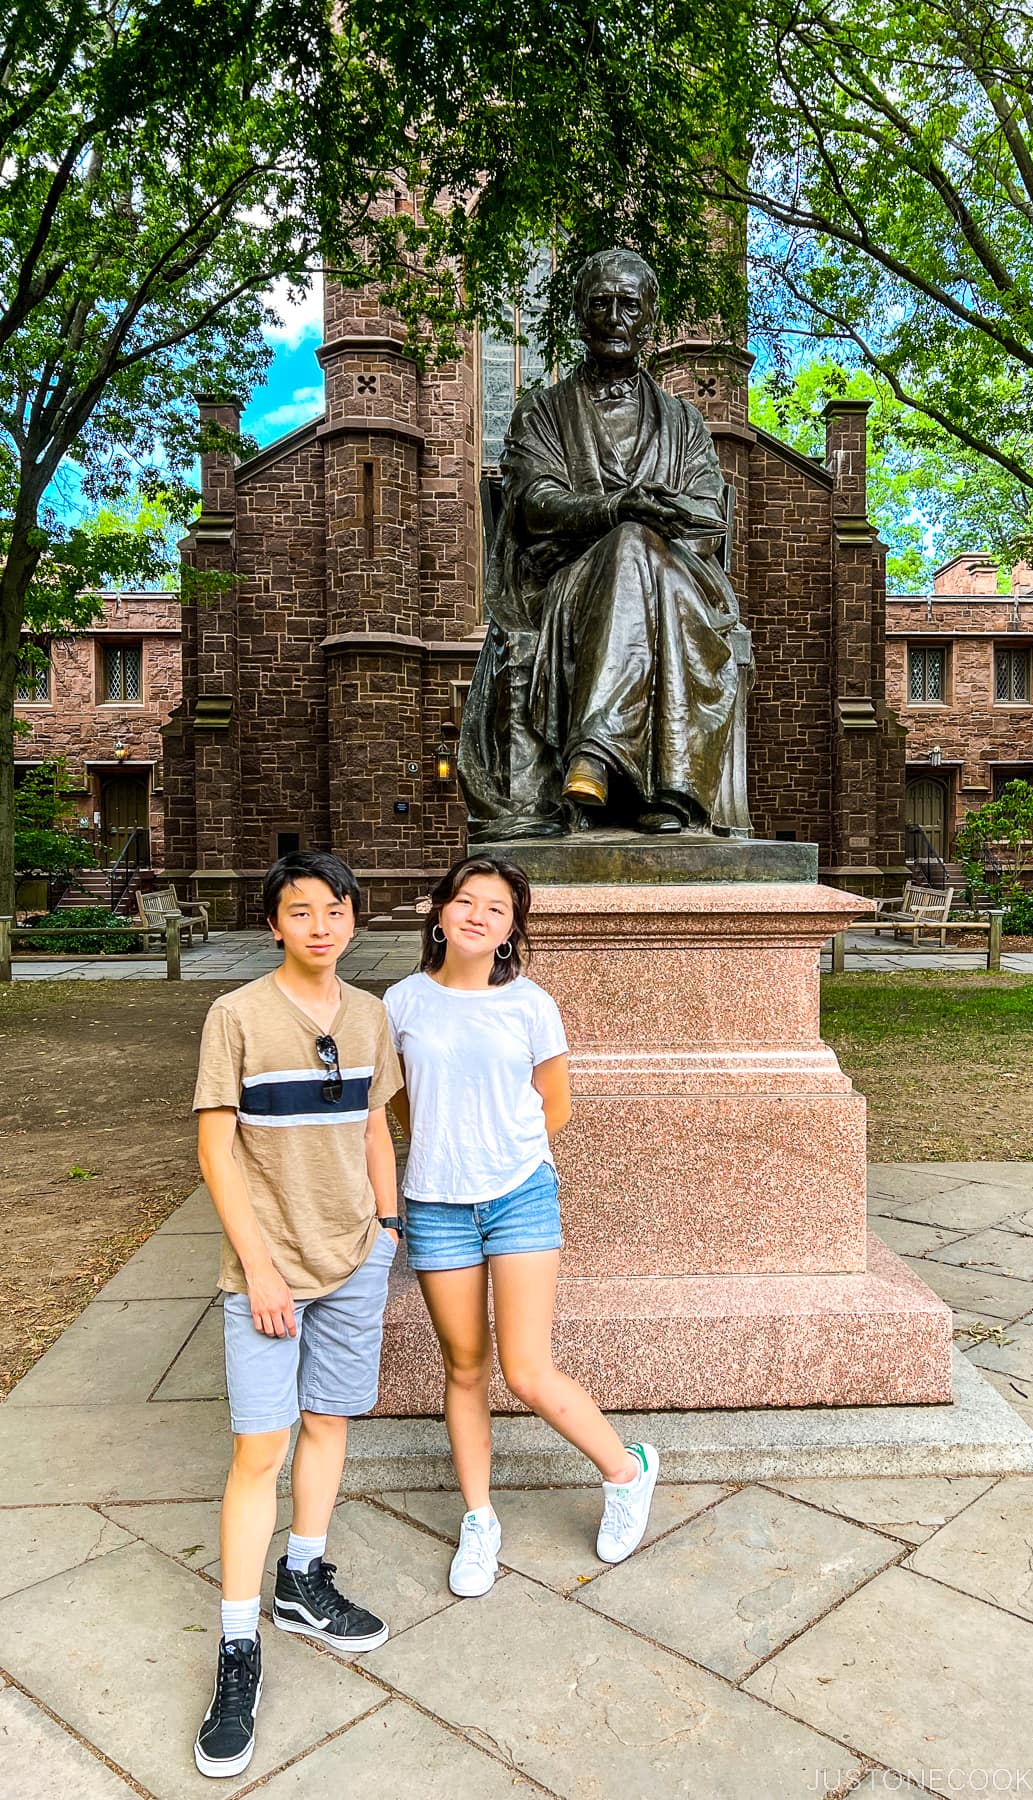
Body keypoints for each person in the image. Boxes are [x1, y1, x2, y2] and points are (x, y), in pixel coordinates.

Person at [383, 854, 658, 1597]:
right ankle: (479, 1522)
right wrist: (443, 1145)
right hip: (436, 1202)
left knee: (526, 1369)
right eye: (464, 901)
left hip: (518, 1196)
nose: (476, 914)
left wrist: (498, 1151)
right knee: (465, 1367)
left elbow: (554, 1105)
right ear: (439, 913)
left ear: (510, 931)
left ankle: (626, 1471)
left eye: (495, 908)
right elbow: (400, 1102)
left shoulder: (531, 1003)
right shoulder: (401, 1003)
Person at [191, 851, 404, 1780]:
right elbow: (216, 1149)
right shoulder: (235, 1017)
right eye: (298, 911)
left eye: (333, 910)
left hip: (356, 1258)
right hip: (269, 1275)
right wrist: (260, 1268)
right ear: (274, 923)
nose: (319, 924)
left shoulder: (371, 1015)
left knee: (328, 1424)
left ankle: (303, 1578)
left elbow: (372, 1125)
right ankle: (239, 1648)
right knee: (260, 1450)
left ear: (353, 919)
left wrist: (387, 1229)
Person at [458, 246, 743, 838]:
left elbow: (709, 515)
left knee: (639, 545)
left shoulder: (685, 424)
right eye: (601, 303)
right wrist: (616, 511)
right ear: (580, 317)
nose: (615, 316)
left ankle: (596, 756)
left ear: (649, 320)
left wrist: (644, 524)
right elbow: (534, 503)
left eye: (629, 305)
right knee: (628, 542)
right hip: (570, 584)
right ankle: (665, 789)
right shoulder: (541, 412)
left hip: (680, 584)